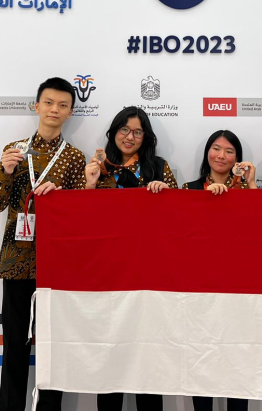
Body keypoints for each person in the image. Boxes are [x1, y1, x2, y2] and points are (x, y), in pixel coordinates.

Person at [0, 77, 87, 411]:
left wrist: (62, 199)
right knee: (14, 347)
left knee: (51, 352)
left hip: (56, 266)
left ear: (70, 112)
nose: (54, 110)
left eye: (62, 105)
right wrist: (5, 172)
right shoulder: (13, 150)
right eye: (48, 102)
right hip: (17, 262)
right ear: (37, 105)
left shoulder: (74, 158)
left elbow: (80, 219)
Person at [84, 106, 176, 411]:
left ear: (146, 137)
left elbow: (180, 222)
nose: (130, 137)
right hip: (109, 274)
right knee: (110, 354)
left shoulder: (159, 168)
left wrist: (165, 196)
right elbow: (83, 223)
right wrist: (90, 185)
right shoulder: (99, 167)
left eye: (137, 132)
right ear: (114, 133)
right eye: (124, 130)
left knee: (148, 357)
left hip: (150, 277)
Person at [182, 129, 255, 411]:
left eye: (229, 151)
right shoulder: (188, 190)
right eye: (216, 148)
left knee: (238, 360)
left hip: (240, 289)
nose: (221, 155)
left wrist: (247, 187)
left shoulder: (248, 191)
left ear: (238, 157)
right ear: (207, 153)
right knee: (202, 360)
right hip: (199, 290)